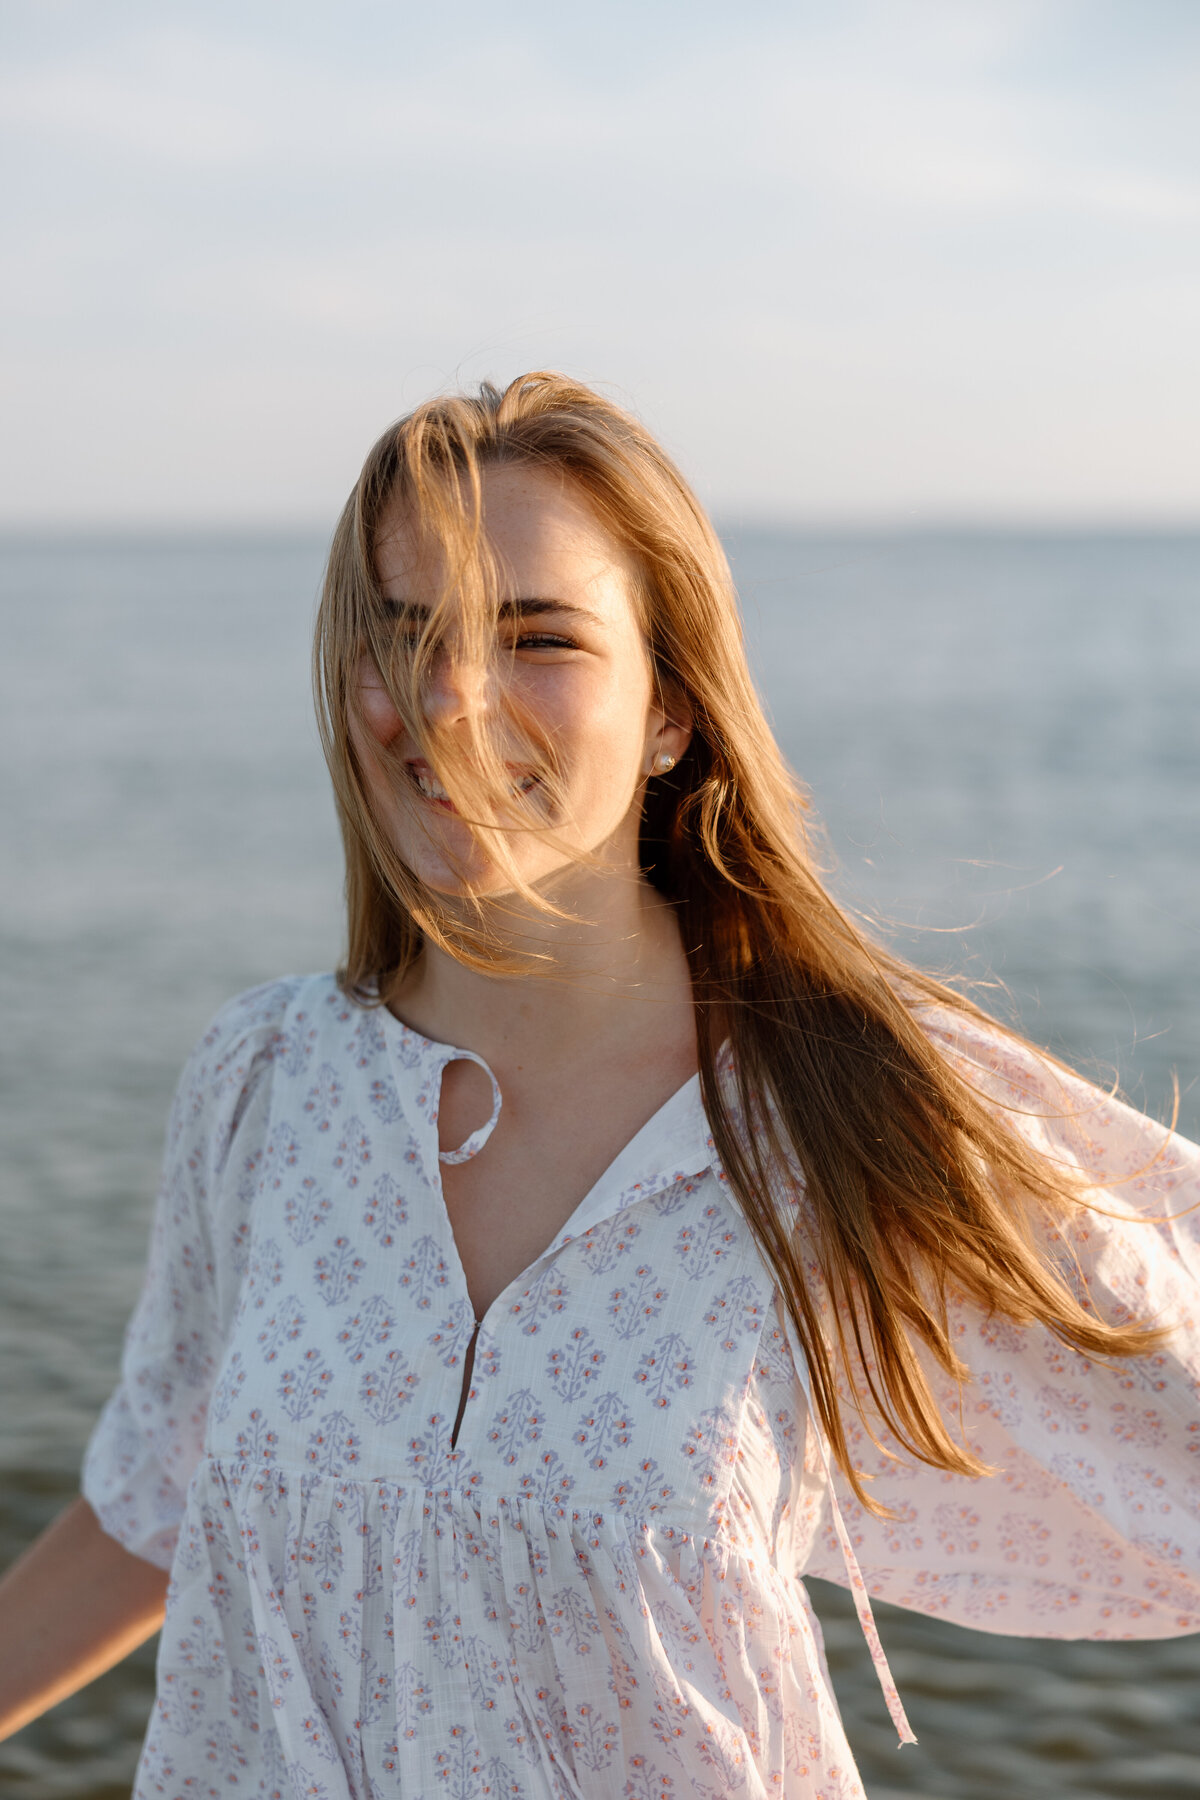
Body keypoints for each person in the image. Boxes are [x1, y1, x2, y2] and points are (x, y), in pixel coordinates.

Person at [1, 370, 1197, 1800]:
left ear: (674, 711)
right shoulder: (266, 1084)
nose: (450, 700)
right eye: (403, 634)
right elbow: (155, 1498)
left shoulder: (842, 1104)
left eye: (539, 636)